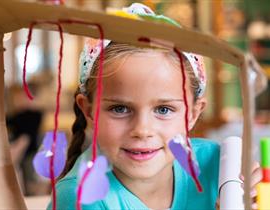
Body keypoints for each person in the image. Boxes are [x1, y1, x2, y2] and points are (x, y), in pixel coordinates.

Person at [48, 3, 262, 210]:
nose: (142, 130)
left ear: (193, 114)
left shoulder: (216, 165)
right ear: (88, 111)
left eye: (163, 109)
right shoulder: (82, 197)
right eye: (120, 109)